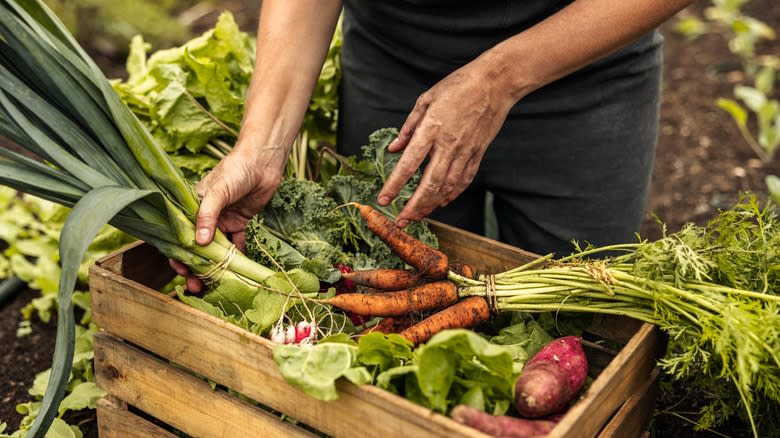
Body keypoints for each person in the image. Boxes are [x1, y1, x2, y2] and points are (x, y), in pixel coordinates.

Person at [171, 0, 693, 292]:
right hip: (395, 68)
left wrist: (498, 79)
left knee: (578, 318)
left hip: (584, 73)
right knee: (386, 292)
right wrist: (261, 146)